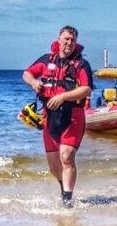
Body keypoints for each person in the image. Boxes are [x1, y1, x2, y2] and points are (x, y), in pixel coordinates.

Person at [22, 25, 93, 207]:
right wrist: (34, 83)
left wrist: (63, 96)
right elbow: (26, 73)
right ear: (59, 39)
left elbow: (86, 89)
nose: (69, 43)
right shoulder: (46, 60)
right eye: (66, 39)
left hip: (72, 116)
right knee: (54, 167)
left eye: (73, 40)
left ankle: (67, 202)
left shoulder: (81, 64)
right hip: (49, 117)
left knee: (67, 157)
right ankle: (64, 188)